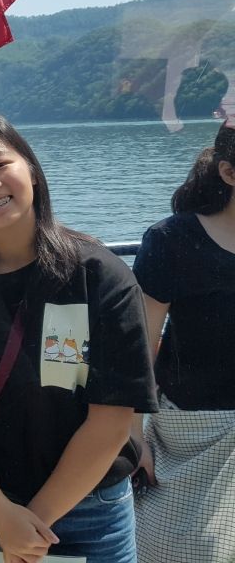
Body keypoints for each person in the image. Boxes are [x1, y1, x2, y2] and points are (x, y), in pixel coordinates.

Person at [0, 113, 158, 563]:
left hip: (91, 510)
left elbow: (110, 419)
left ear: (30, 168)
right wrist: (1, 513)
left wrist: (32, 522)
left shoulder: (96, 275)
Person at [132, 121, 235, 562]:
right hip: (193, 437)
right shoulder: (174, 241)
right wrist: (132, 439)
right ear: (229, 173)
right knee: (191, 551)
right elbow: (134, 344)